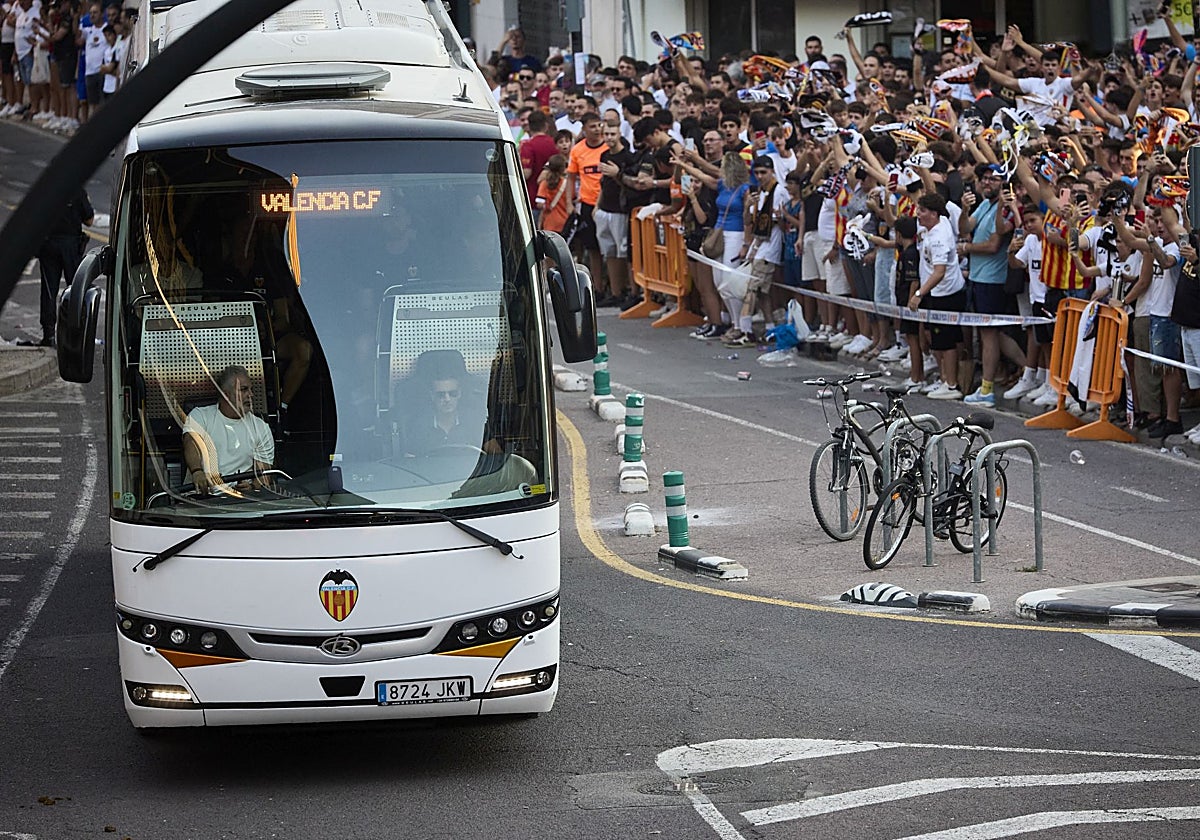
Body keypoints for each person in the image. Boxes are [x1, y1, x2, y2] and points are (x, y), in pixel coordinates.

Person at [183, 365, 275, 493]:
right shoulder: (200, 416)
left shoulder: (261, 428)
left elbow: (263, 477)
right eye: (244, 389)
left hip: (242, 502)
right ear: (226, 395)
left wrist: (253, 487)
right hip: (200, 499)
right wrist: (197, 472)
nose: (251, 395)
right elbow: (191, 443)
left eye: (250, 389)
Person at [19, 188, 93, 347]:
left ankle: (49, 335)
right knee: (76, 290)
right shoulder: (77, 190)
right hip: (70, 246)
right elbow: (89, 220)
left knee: (48, 291)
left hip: (49, 245)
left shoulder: (48, 190)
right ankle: (77, 334)